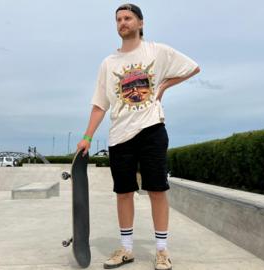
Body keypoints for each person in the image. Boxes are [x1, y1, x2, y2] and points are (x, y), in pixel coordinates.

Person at [76, 3, 200, 270]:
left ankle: (162, 250)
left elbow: (192, 67)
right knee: (123, 193)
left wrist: (165, 84)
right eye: (118, 19)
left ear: (140, 23)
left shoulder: (157, 51)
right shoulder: (108, 64)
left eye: (128, 18)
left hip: (152, 129)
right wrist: (87, 137)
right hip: (120, 135)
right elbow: (99, 104)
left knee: (156, 190)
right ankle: (127, 249)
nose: (123, 22)